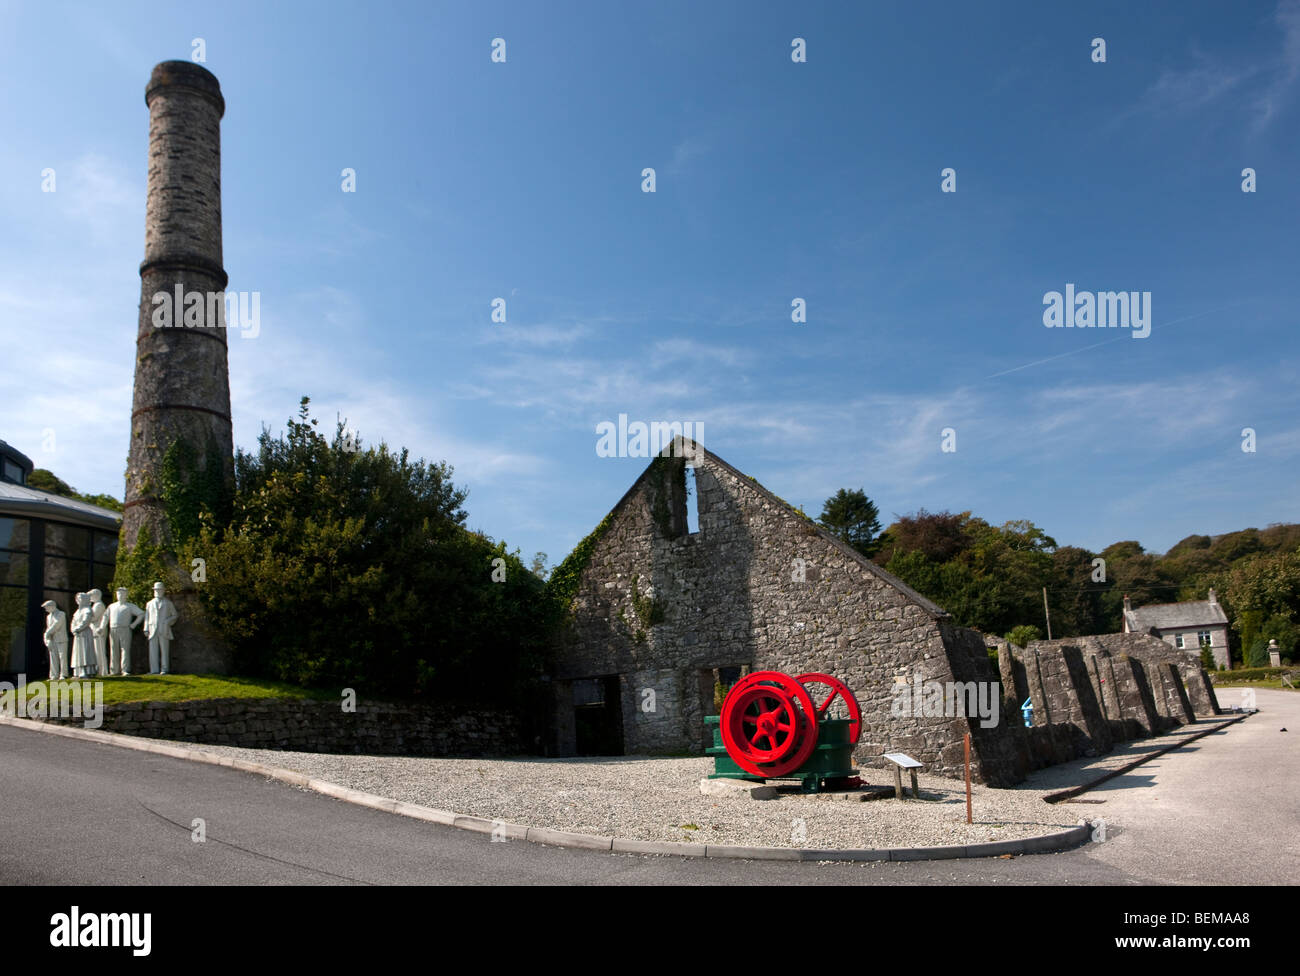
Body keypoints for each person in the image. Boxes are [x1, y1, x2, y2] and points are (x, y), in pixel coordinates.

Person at [107, 587, 145, 675]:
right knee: (113, 649)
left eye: (122, 593)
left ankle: (125, 669)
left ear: (126, 595)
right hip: (113, 629)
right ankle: (114, 670)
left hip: (125, 629)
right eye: (118, 593)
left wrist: (133, 624)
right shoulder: (111, 606)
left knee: (125, 649)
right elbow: (105, 617)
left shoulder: (129, 606)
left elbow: (141, 614)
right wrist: (102, 627)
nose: (120, 595)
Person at [144, 581, 178, 675]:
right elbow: (147, 617)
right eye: (156, 590)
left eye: (160, 590)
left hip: (164, 629)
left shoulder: (168, 603)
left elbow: (175, 615)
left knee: (164, 650)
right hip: (152, 629)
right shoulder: (149, 603)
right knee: (153, 651)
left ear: (163, 591)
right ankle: (154, 670)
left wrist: (167, 622)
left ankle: (165, 669)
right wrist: (146, 628)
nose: (158, 591)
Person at [69, 592, 96, 678]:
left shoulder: (87, 610)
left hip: (85, 633)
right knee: (79, 652)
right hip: (78, 634)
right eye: (77, 598)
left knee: (86, 652)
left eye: (80, 598)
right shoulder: (77, 611)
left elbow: (86, 621)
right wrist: (73, 629)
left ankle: (87, 671)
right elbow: (73, 621)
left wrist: (78, 628)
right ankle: (79, 671)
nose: (78, 600)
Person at [42, 599, 69, 680]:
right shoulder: (48, 617)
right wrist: (47, 640)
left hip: (61, 639)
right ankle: (54, 675)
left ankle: (63, 674)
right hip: (52, 639)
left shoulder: (61, 614)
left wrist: (47, 633)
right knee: (53, 658)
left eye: (46, 607)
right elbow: (49, 628)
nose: (45, 609)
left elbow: (56, 625)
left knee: (62, 657)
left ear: (52, 606)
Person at [89, 588, 109, 676]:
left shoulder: (99, 605)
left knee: (100, 651)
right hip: (95, 631)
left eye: (91, 596)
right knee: (96, 651)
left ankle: (102, 671)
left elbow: (93, 618)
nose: (90, 598)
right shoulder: (95, 605)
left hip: (98, 631)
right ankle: (99, 670)